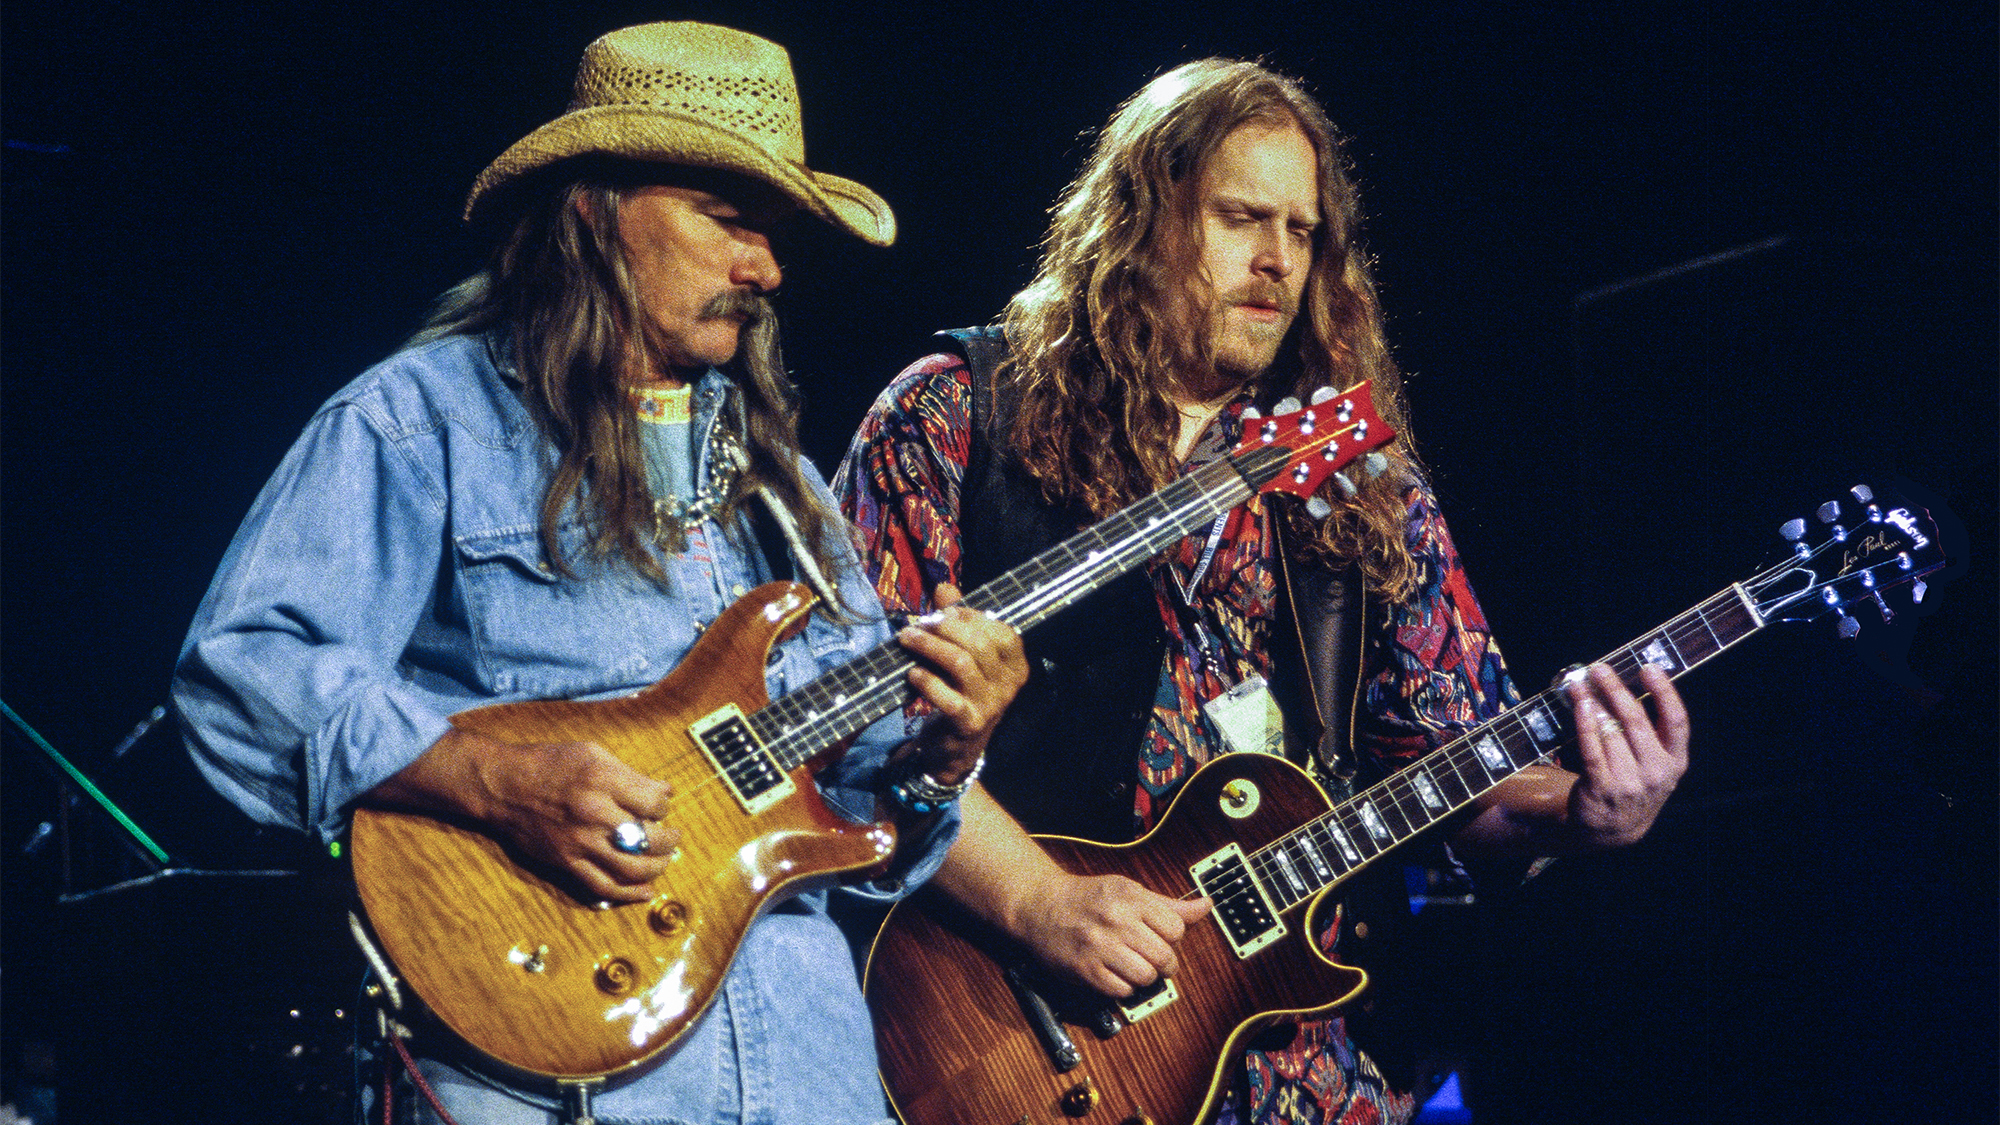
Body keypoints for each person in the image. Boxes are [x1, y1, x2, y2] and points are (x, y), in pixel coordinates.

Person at [173, 22, 1025, 1125]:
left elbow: (866, 832)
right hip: (538, 1058)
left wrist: (942, 755)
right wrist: (489, 779)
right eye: (729, 222)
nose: (763, 267)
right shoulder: (416, 423)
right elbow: (242, 670)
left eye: (772, 237)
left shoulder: (788, 492)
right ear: (593, 210)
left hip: (805, 1065)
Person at [834, 58, 1689, 1124]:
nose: (1277, 262)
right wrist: (1035, 903)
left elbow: (1451, 773)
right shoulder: (957, 418)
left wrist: (1579, 814)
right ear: (1139, 218)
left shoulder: (1357, 478)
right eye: (1242, 217)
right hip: (1011, 1029)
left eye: (1302, 231)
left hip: (1316, 1065)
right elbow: (849, 725)